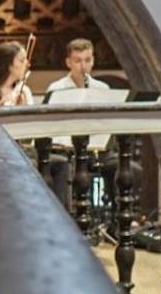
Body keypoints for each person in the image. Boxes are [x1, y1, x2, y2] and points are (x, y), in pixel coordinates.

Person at [43, 38, 113, 207]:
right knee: (63, 166)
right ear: (68, 62)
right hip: (67, 150)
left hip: (95, 149)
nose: (83, 66)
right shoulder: (56, 89)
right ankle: (66, 216)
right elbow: (52, 124)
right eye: (78, 61)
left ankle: (116, 221)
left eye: (87, 60)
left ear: (93, 61)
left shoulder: (102, 89)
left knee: (120, 166)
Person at [0, 40, 36, 107]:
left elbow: (32, 117)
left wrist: (23, 108)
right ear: (9, 65)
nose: (27, 64)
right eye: (22, 60)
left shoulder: (24, 91)